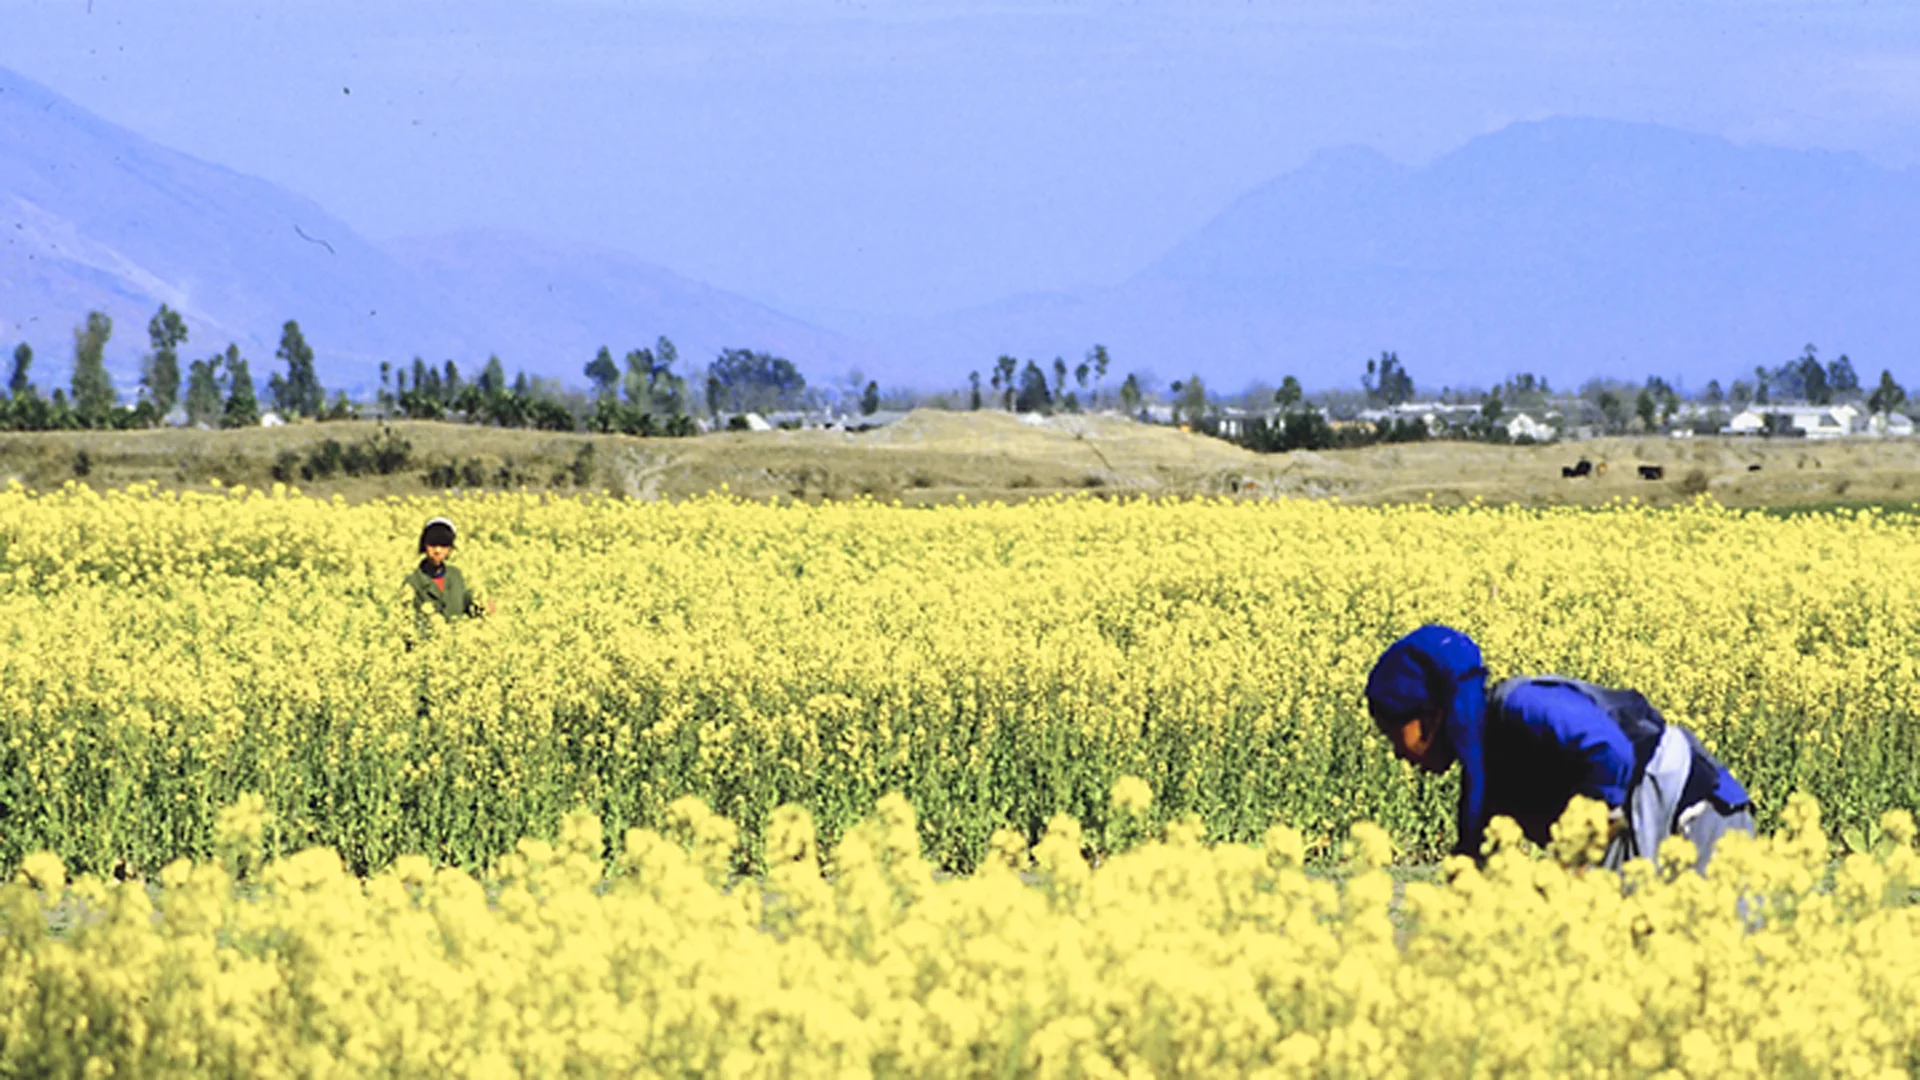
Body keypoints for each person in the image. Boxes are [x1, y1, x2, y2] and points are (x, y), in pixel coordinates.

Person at [1365, 624, 1754, 872]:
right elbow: (1472, 859)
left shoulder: (1522, 706)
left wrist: (1581, 849)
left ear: (1431, 716)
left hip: (1698, 817)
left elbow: (1610, 751)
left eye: (1392, 733)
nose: (1398, 753)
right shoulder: (1483, 779)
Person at [405, 517, 494, 621]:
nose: (437, 551)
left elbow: (469, 605)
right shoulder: (413, 582)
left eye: (443, 546)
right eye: (432, 545)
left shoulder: (456, 575)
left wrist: (484, 607)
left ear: (450, 549)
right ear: (424, 545)